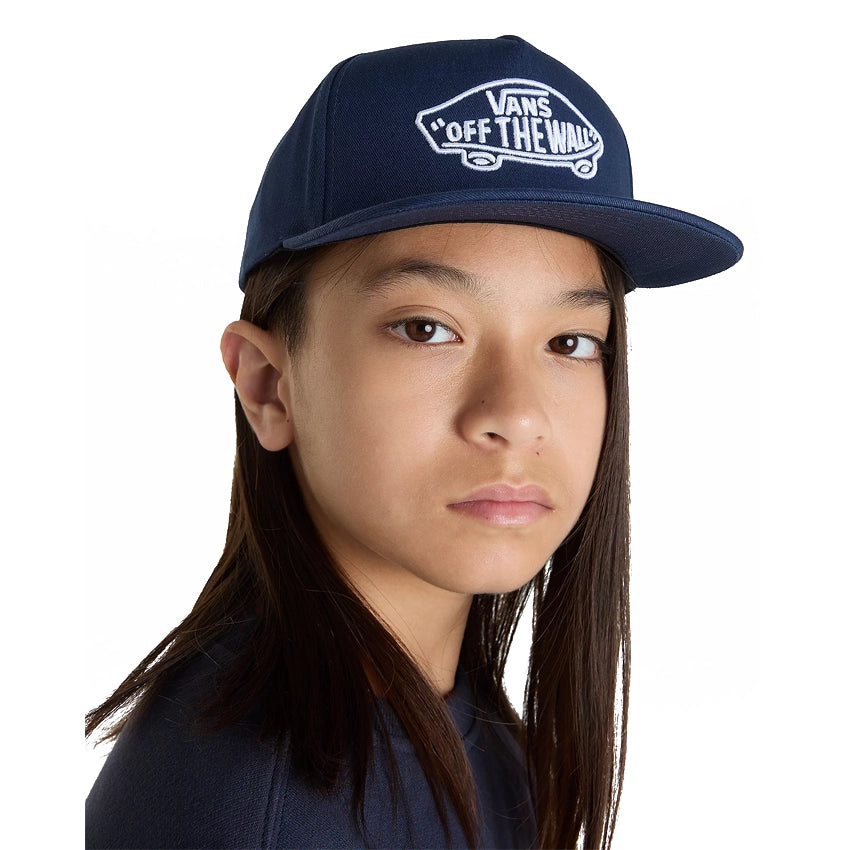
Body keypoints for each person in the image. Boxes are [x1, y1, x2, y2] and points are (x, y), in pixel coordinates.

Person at [84, 35, 742, 850]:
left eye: (570, 341)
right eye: (427, 328)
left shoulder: (461, 726)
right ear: (268, 384)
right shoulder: (259, 807)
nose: (516, 415)